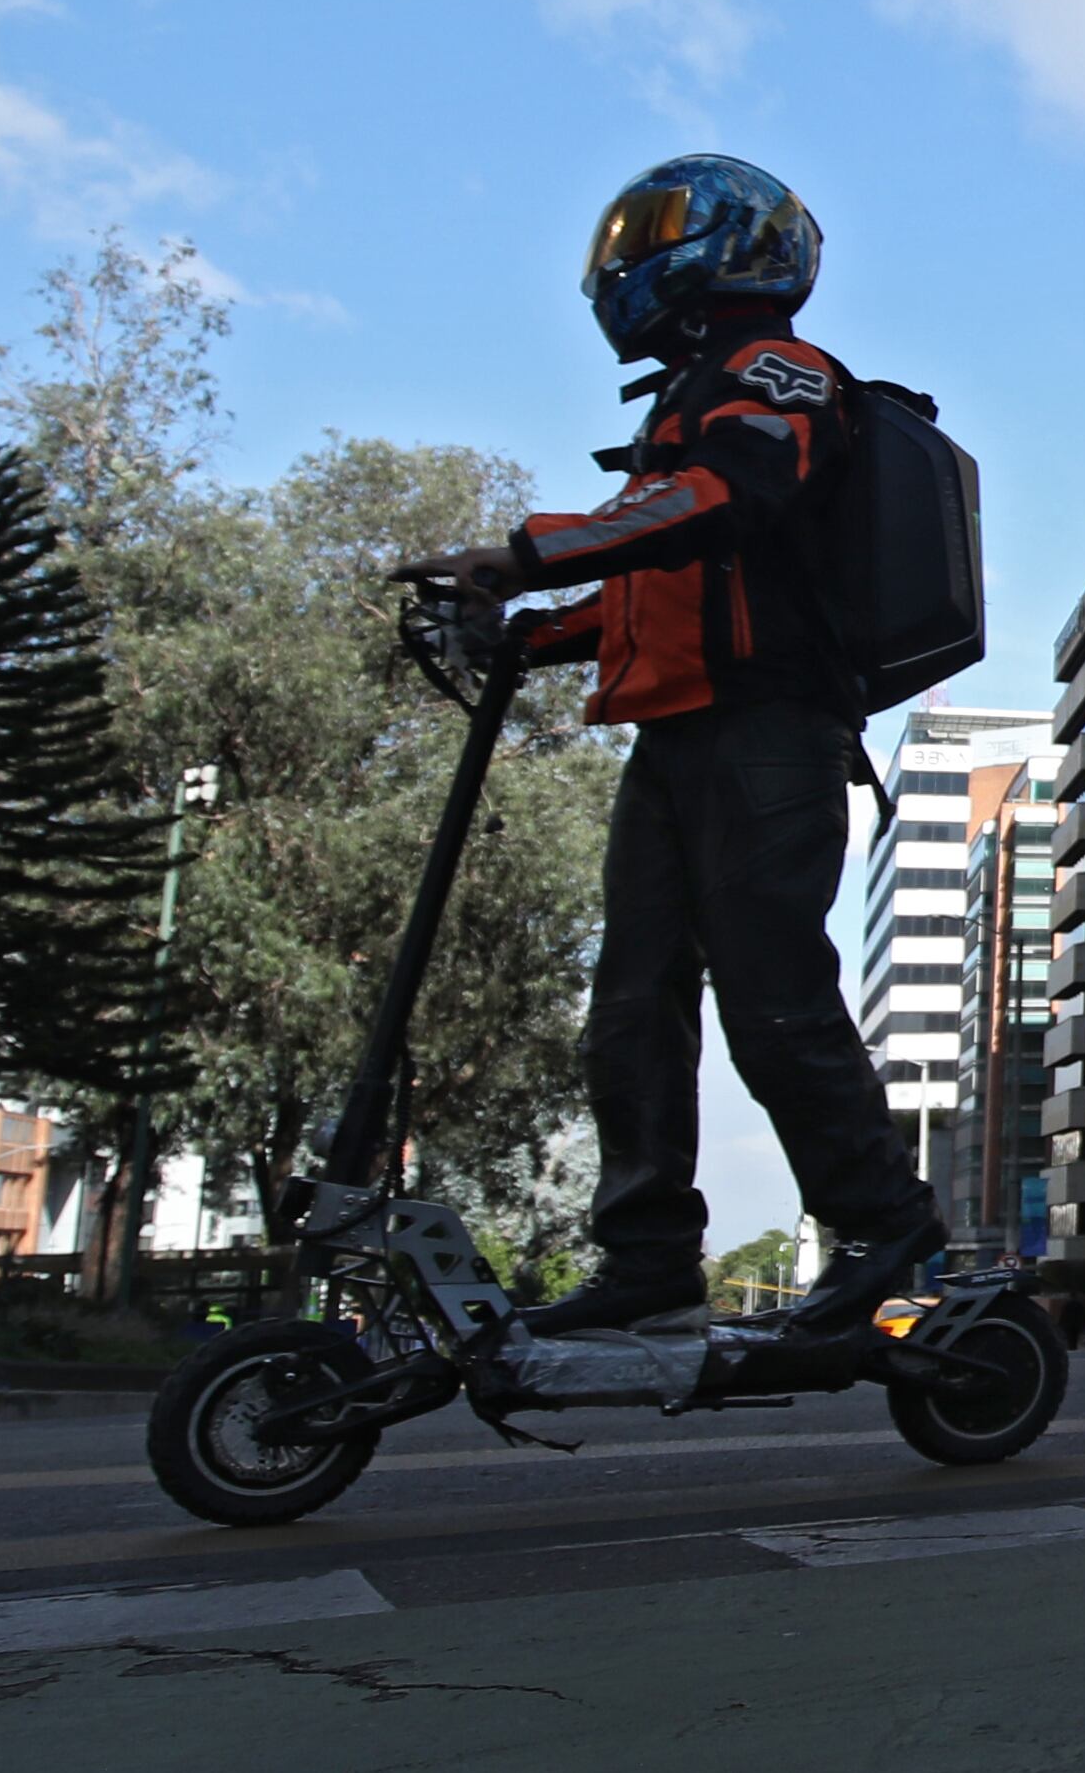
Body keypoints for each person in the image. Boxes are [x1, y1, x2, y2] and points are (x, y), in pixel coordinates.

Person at [403, 156, 941, 1340]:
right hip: (681, 736)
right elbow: (657, 588)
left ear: (733, 248)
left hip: (769, 736)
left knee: (771, 997)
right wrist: (526, 632)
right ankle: (646, 1255)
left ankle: (884, 1227)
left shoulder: (779, 371)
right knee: (632, 1004)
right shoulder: (686, 397)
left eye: (653, 230)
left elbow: (722, 499)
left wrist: (528, 553)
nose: (627, 255)